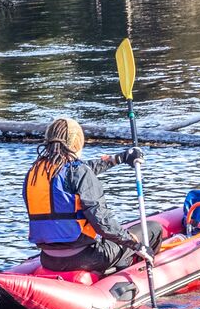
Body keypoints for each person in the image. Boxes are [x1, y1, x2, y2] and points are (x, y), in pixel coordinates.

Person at [23, 117, 165, 275]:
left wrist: (119, 159)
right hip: (85, 258)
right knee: (154, 229)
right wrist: (136, 245)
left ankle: (119, 265)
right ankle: (141, 273)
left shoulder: (34, 173)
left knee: (116, 238)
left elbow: (77, 172)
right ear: (77, 142)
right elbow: (103, 223)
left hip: (48, 259)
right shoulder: (78, 172)